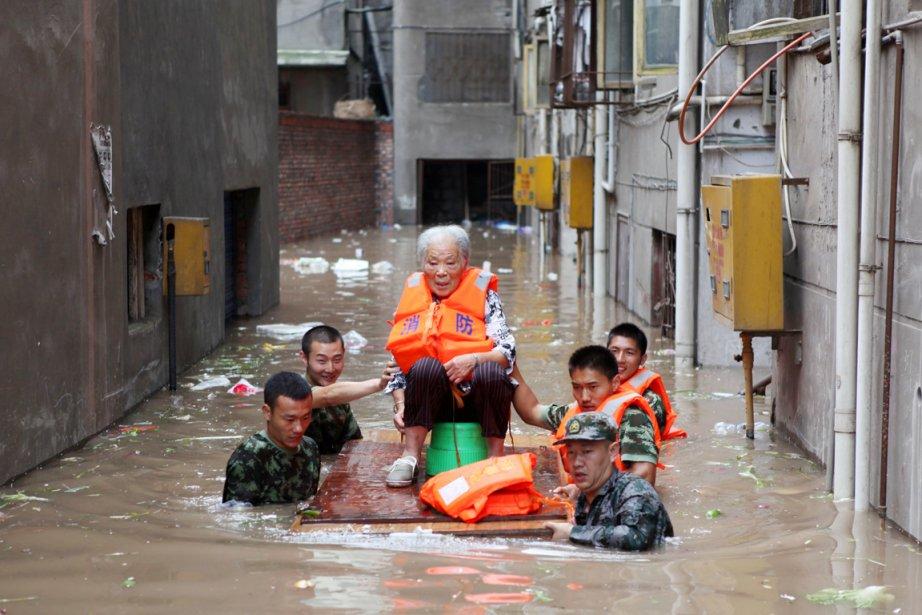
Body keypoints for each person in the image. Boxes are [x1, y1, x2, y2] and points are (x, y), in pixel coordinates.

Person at [384, 225, 517, 487]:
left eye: (450, 262)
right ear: (423, 264)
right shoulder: (413, 296)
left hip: (476, 400)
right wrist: (401, 405)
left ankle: (495, 457)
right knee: (423, 366)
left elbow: (507, 351)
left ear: (465, 262)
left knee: (492, 370)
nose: (441, 272)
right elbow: (398, 362)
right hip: (429, 404)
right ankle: (409, 456)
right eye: (433, 263)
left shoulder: (486, 297)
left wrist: (473, 359)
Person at [511, 345, 661, 485]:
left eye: (593, 387)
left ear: (615, 383)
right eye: (577, 387)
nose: (584, 397)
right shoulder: (574, 412)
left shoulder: (632, 417)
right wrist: (510, 364)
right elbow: (532, 412)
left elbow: (645, 474)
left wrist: (586, 489)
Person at [544, 412, 674, 550]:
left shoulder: (636, 491)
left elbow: (637, 538)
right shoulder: (587, 494)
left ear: (612, 452)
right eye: (571, 452)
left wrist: (573, 533)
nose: (577, 463)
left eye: (587, 451)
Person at [222, 371, 319, 505]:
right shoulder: (247, 459)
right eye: (290, 419)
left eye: (305, 417)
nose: (299, 428)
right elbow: (238, 515)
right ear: (267, 412)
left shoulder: (310, 448)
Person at [300, 325, 398, 454]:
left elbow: (354, 442)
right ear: (304, 358)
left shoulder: (341, 399)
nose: (330, 369)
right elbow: (327, 395)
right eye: (322, 361)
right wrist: (379, 384)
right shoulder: (292, 391)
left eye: (337, 360)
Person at [607, 323, 685, 440]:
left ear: (642, 360)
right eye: (614, 351)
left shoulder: (650, 402)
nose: (619, 359)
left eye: (629, 353)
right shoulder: (592, 386)